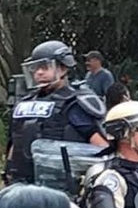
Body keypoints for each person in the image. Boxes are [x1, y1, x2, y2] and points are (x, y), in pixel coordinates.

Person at [6, 40, 108, 184]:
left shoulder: (73, 103)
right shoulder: (24, 103)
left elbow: (101, 148)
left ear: (63, 68)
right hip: (21, 185)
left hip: (60, 187)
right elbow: (15, 143)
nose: (39, 72)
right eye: (35, 68)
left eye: (44, 67)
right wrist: (9, 172)